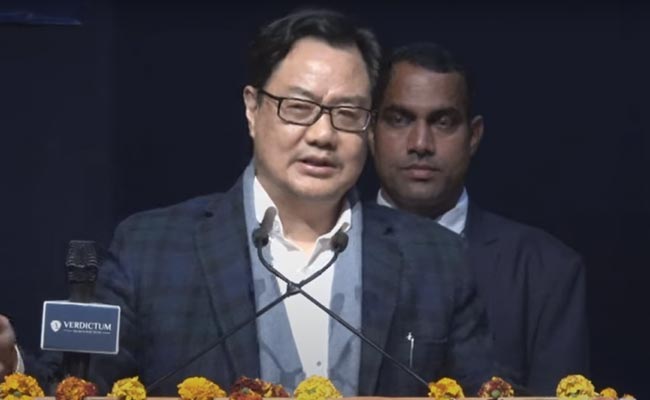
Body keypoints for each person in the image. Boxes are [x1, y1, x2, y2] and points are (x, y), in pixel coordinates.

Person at [0, 10, 495, 397]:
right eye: (298, 108)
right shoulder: (151, 250)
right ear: (253, 109)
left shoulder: (436, 258)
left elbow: (491, 392)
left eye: (347, 113)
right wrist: (11, 368)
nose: (322, 135)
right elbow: (76, 387)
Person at [369, 42, 590, 395]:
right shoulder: (322, 255)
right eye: (400, 119)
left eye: (443, 122)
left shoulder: (546, 270)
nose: (420, 143)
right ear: (369, 130)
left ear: (473, 136)